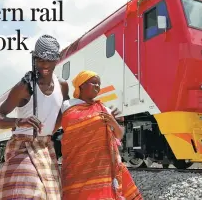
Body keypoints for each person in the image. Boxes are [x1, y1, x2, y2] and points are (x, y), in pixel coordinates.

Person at [0, 35, 69, 200]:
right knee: (30, 191)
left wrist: (49, 131)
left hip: (45, 146)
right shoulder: (24, 87)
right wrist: (19, 121)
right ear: (34, 59)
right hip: (22, 146)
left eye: (49, 60)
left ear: (57, 60)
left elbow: (64, 112)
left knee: (50, 195)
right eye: (40, 60)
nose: (44, 65)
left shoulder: (62, 85)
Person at [60, 70, 142, 200]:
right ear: (81, 85)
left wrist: (114, 123)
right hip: (76, 165)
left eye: (99, 84)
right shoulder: (66, 106)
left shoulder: (103, 108)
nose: (97, 86)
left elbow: (119, 135)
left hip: (101, 167)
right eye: (93, 83)